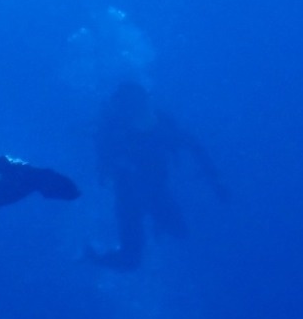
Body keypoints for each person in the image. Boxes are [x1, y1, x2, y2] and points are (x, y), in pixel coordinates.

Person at [86, 81, 229, 270]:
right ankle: (88, 256)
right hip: (129, 196)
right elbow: (194, 146)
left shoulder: (159, 126)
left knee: (178, 232)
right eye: (131, 107)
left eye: (140, 105)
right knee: (131, 259)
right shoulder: (114, 131)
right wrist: (215, 180)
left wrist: (215, 180)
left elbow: (194, 145)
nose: (138, 112)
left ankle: (90, 256)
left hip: (153, 191)